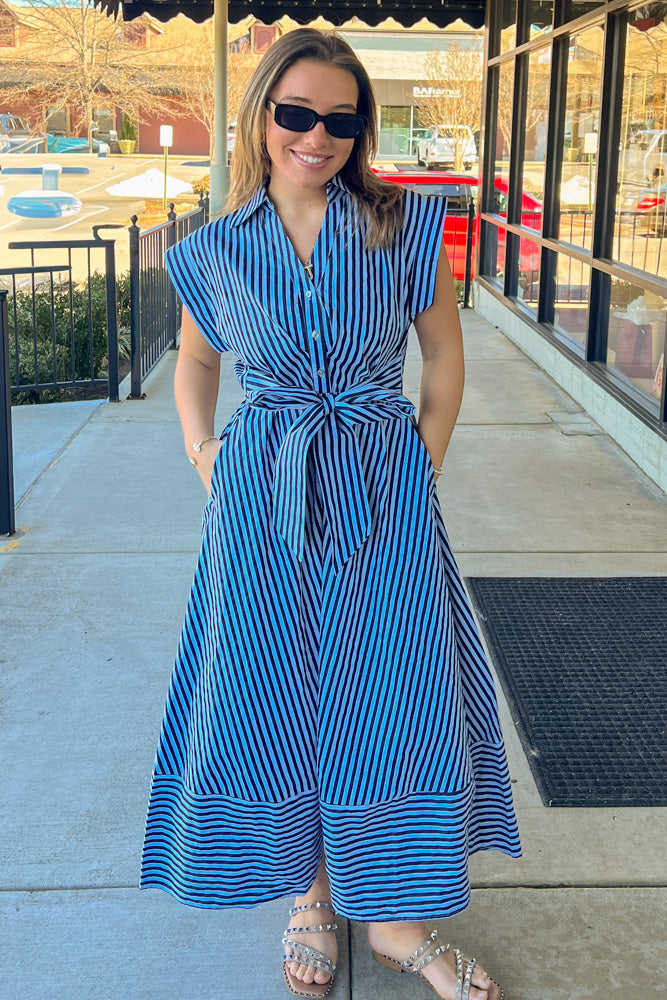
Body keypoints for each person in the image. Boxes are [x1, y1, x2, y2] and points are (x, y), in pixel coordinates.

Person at [139, 27, 521, 1000]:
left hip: (378, 487)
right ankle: (310, 892)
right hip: (262, 490)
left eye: (340, 120)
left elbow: (441, 354)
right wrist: (202, 450)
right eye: (297, 113)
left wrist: (419, 462)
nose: (317, 136)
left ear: (361, 129)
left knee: (388, 693)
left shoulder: (397, 224)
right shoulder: (219, 246)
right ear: (262, 115)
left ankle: (392, 915)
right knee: (273, 690)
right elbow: (195, 359)